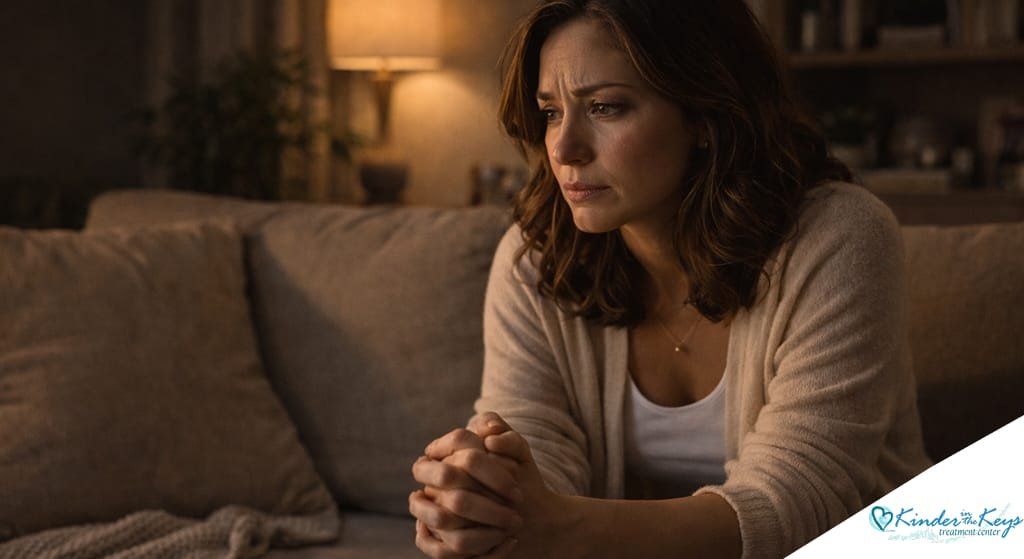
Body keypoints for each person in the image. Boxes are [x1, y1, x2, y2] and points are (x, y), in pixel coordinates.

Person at [409, 1, 933, 557]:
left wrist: (558, 526)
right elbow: (535, 452)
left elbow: (803, 499)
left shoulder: (839, 236)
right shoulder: (537, 255)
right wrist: (485, 499)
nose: (563, 149)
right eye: (551, 113)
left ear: (704, 116)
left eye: (605, 107)